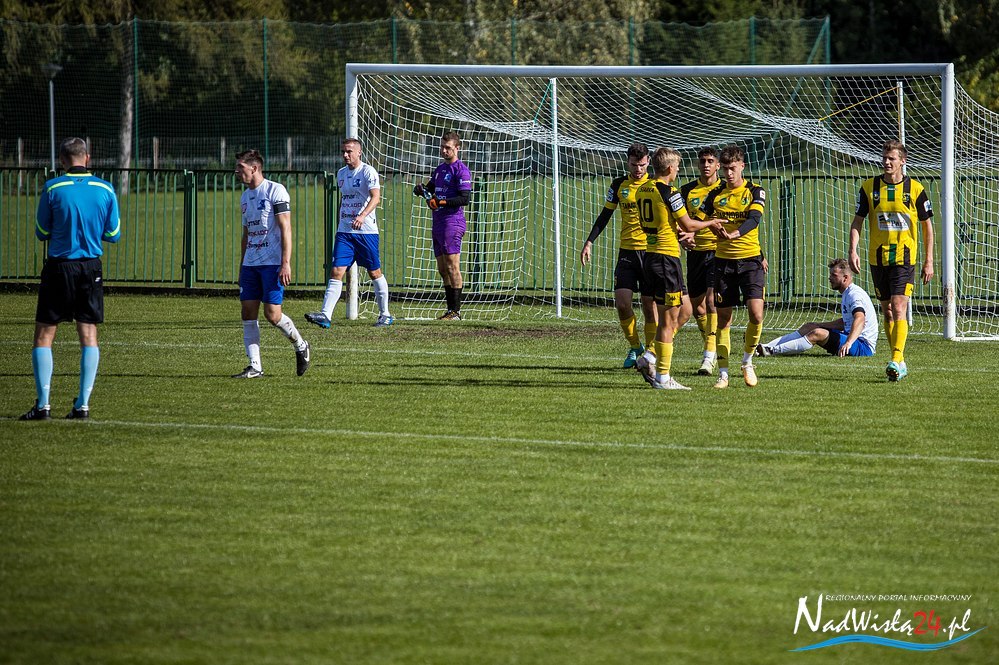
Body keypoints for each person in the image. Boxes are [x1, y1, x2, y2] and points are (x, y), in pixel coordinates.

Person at [20, 137, 121, 420]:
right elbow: (113, 234)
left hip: (59, 267)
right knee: (88, 335)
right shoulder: (105, 188)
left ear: (62, 160)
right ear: (87, 158)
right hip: (90, 268)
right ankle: (82, 405)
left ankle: (43, 405)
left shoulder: (53, 188)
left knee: (44, 335)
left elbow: (42, 231)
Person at [634, 148, 721, 390]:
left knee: (686, 308)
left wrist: (677, 234)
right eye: (678, 167)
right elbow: (689, 224)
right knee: (667, 321)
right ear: (670, 168)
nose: (679, 170)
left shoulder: (642, 189)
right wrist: (712, 222)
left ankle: (649, 357)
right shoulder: (670, 191)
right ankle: (663, 377)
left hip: (652, 255)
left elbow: (656, 221)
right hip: (666, 260)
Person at [849, 139, 934, 382]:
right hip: (878, 257)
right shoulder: (869, 187)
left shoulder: (915, 189)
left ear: (902, 161)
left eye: (892, 158)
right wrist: (853, 251)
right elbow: (858, 221)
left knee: (898, 307)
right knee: (887, 311)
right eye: (884, 158)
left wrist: (928, 260)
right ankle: (899, 360)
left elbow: (927, 227)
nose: (887, 162)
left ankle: (896, 359)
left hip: (904, 258)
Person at [232, 149, 311, 379]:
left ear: (254, 168)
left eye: (240, 167)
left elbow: (286, 228)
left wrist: (285, 263)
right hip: (250, 264)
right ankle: (255, 366)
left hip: (272, 263)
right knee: (247, 312)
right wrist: (242, 265)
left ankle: (300, 345)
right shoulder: (245, 197)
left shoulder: (275, 190)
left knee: (272, 315)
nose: (237, 172)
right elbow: (246, 234)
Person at [580, 143, 657, 368]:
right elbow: (605, 214)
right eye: (634, 165)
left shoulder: (656, 185)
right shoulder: (618, 185)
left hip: (651, 252)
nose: (638, 169)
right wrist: (589, 241)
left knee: (649, 305)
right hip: (627, 252)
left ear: (648, 162)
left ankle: (651, 352)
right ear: (627, 162)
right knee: (622, 303)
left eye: (642, 165)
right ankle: (635, 346)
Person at [306, 138, 394, 329]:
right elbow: (344, 199)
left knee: (374, 272)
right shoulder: (341, 173)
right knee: (336, 271)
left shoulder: (368, 171)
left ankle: (385, 315)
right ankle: (325, 315)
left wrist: (362, 216)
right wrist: (340, 223)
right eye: (343, 152)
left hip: (366, 232)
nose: (345, 155)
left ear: (359, 152)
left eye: (349, 151)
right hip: (345, 232)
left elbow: (376, 197)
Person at [700, 145, 767, 389]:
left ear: (742, 166)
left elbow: (754, 219)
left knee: (756, 314)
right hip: (723, 262)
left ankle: (747, 362)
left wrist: (734, 233)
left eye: (733, 168)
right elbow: (701, 219)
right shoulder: (715, 194)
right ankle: (723, 374)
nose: (728, 173)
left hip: (751, 260)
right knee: (723, 319)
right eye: (726, 169)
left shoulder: (755, 191)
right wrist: (702, 228)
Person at [756, 258, 878, 358]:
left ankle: (772, 351)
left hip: (863, 346)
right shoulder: (847, 293)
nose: (830, 278)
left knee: (817, 333)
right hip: (851, 338)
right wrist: (819, 324)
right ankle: (765, 347)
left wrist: (848, 343)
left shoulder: (854, 294)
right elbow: (845, 322)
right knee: (811, 327)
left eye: (834, 275)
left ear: (845, 278)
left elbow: (860, 318)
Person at [414, 131, 473, 320]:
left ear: (457, 148)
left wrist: (441, 202)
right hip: (438, 222)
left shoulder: (461, 170)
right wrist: (421, 190)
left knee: (452, 267)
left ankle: (456, 311)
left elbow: (464, 199)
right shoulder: (440, 169)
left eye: (448, 147)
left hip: (452, 222)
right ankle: (449, 310)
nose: (444, 150)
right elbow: (430, 189)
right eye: (442, 147)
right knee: (442, 269)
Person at [680, 147, 724, 376]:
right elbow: (678, 220)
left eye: (710, 161)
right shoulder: (687, 190)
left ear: (718, 165)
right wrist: (683, 237)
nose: (706, 165)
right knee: (697, 308)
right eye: (703, 161)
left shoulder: (725, 189)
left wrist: (760, 254)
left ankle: (708, 356)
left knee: (711, 302)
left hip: (719, 252)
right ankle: (711, 344)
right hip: (695, 253)